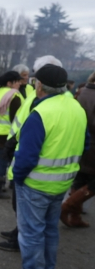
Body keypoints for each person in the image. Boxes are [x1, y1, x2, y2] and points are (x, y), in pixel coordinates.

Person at [0, 64, 88, 269]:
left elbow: (27, 156)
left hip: (36, 184)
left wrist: (17, 178)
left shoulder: (41, 113)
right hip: (62, 183)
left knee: (31, 232)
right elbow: (86, 143)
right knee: (50, 230)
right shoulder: (75, 107)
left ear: (39, 86)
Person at [0, 57, 63, 252]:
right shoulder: (40, 97)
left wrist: (18, 171)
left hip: (34, 170)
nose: (31, 80)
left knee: (31, 219)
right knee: (27, 213)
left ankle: (30, 266)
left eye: (34, 76)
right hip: (30, 159)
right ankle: (19, 233)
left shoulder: (45, 102)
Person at [60, 71, 95, 227]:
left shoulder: (80, 92)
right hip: (93, 143)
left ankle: (75, 217)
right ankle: (66, 207)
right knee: (90, 182)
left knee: (81, 179)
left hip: (79, 141)